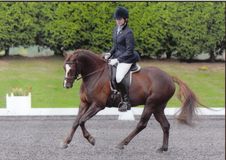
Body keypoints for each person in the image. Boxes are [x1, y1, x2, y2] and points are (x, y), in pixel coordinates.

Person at [104, 6, 140, 112]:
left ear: (125, 19)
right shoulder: (116, 30)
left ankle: (126, 101)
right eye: (116, 19)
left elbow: (129, 51)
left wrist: (117, 60)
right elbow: (115, 46)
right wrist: (109, 54)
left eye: (120, 19)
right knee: (107, 71)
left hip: (128, 58)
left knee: (118, 77)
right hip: (118, 56)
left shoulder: (128, 32)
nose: (118, 21)